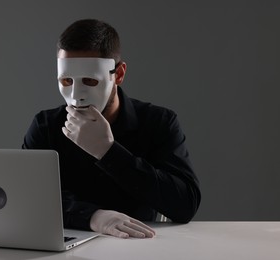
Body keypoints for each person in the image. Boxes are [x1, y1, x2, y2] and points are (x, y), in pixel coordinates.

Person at [22, 19, 201, 239]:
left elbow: (185, 204)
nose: (77, 94)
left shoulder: (158, 123)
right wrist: (92, 217)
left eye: (90, 80)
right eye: (67, 81)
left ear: (119, 74)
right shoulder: (45, 126)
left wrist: (108, 152)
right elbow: (28, 198)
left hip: (139, 245)